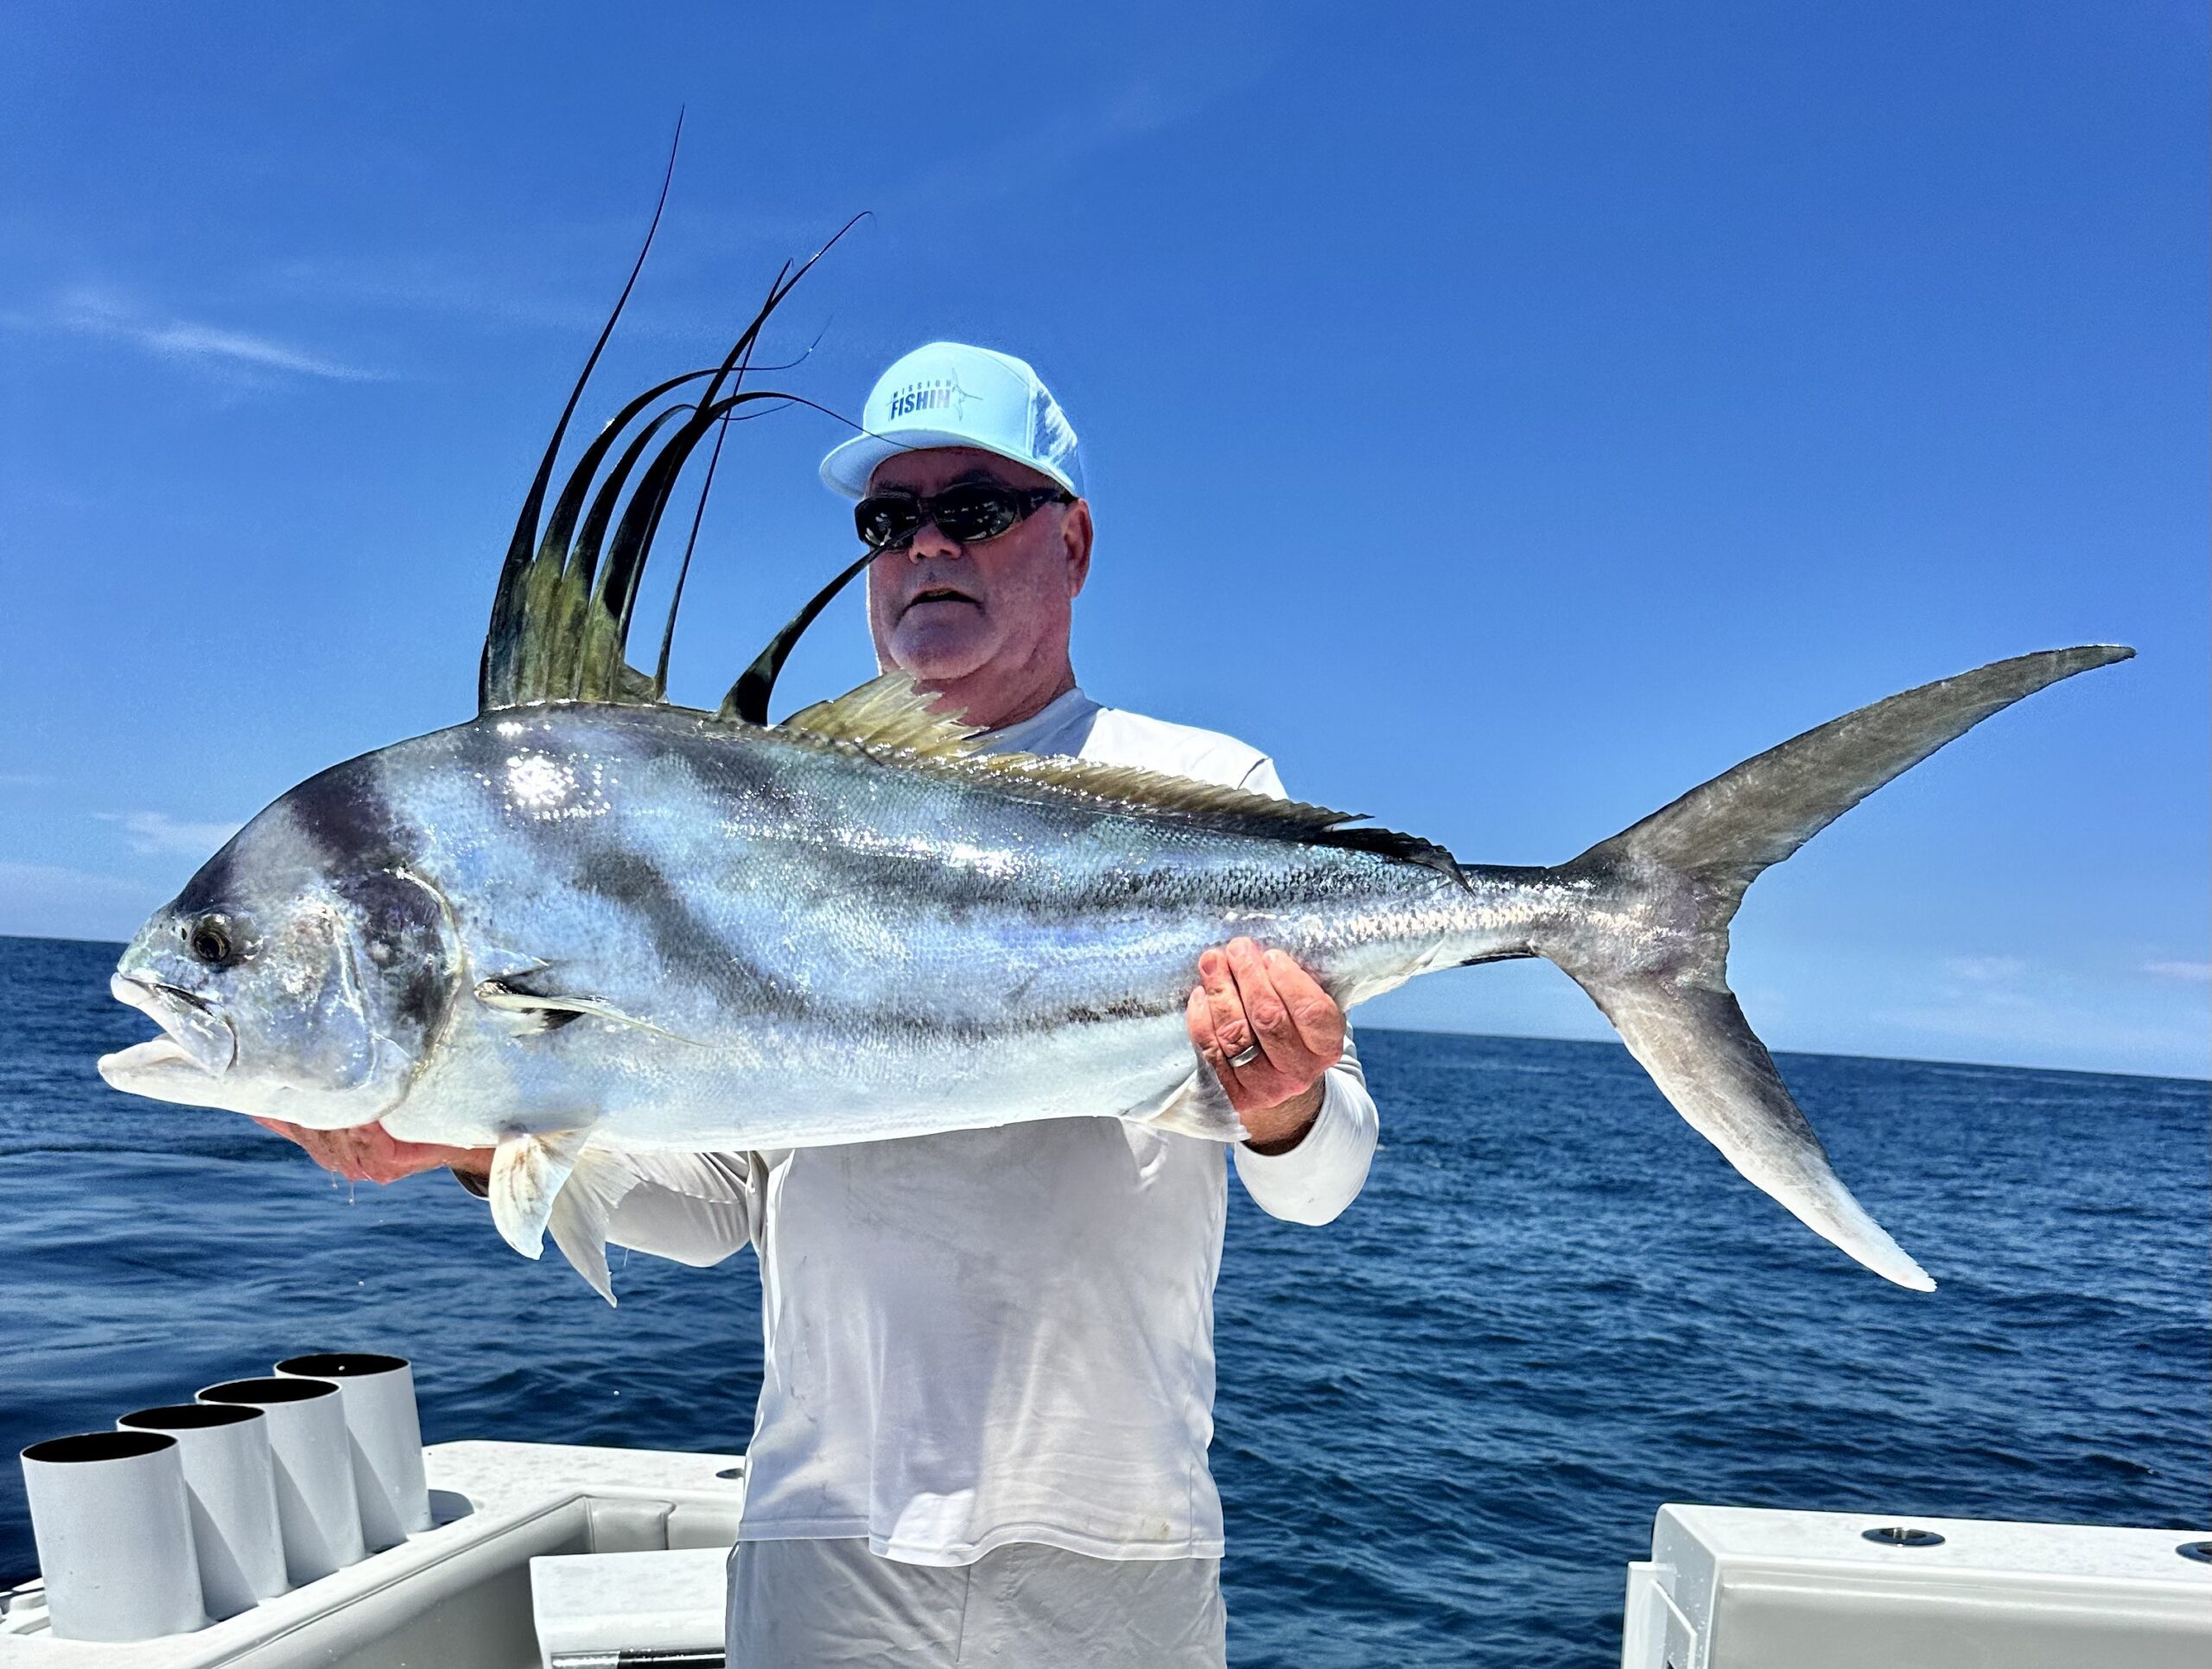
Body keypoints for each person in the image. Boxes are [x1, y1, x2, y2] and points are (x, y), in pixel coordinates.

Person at [258, 341, 1379, 1667]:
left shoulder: (1203, 787)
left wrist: (1285, 1105)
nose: (926, 547)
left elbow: (1323, 1181)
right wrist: (476, 1137)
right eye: (889, 521)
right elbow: (716, 1203)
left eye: (974, 508)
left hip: (1113, 1549)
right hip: (821, 1548)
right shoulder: (753, 811)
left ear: (1072, 542)